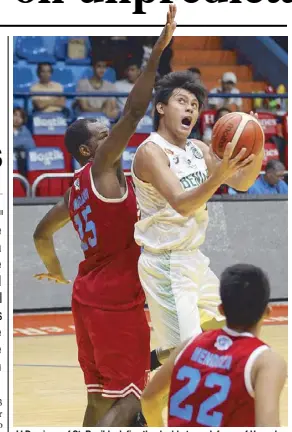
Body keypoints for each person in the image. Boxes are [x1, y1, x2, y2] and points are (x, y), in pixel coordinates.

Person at [32, 5, 177, 427]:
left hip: (85, 297)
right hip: (115, 303)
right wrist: (157, 54)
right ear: (87, 151)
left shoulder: (71, 191)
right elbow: (133, 113)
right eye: (102, 134)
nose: (111, 135)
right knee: (132, 401)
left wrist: (56, 271)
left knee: (99, 400)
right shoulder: (100, 171)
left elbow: (42, 234)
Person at [131, 70, 264, 369]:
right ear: (161, 108)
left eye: (195, 104)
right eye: (182, 101)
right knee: (188, 357)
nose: (191, 107)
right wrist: (218, 177)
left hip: (193, 259)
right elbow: (181, 204)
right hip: (165, 263)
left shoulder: (199, 149)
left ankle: (152, 362)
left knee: (226, 332)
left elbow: (242, 183)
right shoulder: (151, 152)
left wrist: (256, 144)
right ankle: (145, 392)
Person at [141, 264, 287, 427]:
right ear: (267, 312)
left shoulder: (187, 346)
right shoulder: (266, 362)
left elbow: (148, 398)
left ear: (221, 310)